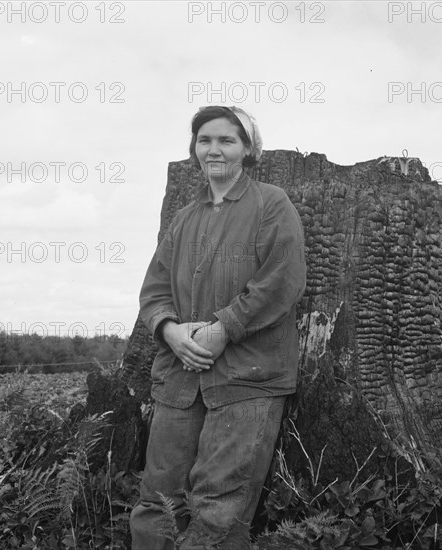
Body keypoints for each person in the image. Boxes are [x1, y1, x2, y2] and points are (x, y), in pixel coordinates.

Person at [130, 106, 306, 549]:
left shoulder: (271, 203)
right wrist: (169, 330)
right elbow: (154, 290)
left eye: (227, 140)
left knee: (219, 510)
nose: (214, 149)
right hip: (180, 378)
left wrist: (224, 327)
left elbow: (281, 278)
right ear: (194, 149)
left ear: (248, 149)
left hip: (247, 378)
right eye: (204, 139)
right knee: (157, 502)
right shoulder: (185, 218)